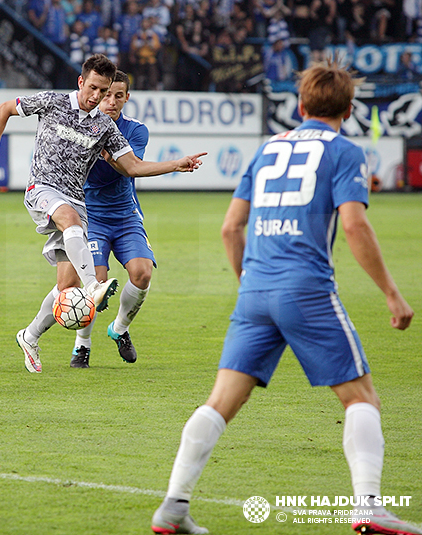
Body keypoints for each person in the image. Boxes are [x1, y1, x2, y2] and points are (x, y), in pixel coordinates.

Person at [150, 59, 418, 535]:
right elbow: (354, 224)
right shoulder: (346, 152)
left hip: (255, 289)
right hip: (308, 288)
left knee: (221, 402)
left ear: (299, 104)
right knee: (362, 400)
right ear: (350, 109)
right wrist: (393, 296)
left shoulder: (268, 148)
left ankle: (173, 505)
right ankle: (369, 506)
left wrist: (249, 284)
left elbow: (231, 227)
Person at [0, 54, 205, 373]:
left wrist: (176, 164)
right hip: (43, 190)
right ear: (81, 82)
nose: (98, 97)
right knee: (82, 257)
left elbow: (133, 167)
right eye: (95, 89)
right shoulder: (52, 102)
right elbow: (4, 109)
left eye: (106, 91)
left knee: (65, 286)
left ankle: (29, 336)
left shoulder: (106, 128)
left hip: (76, 205)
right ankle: (93, 290)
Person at [70, 70, 153, 368]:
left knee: (142, 274)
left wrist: (107, 153)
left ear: (127, 98)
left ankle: (119, 329)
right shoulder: (80, 127)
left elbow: (130, 167)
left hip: (125, 215)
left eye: (119, 96)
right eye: (107, 95)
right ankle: (82, 346)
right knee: (97, 284)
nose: (112, 101)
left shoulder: (136, 130)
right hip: (91, 218)